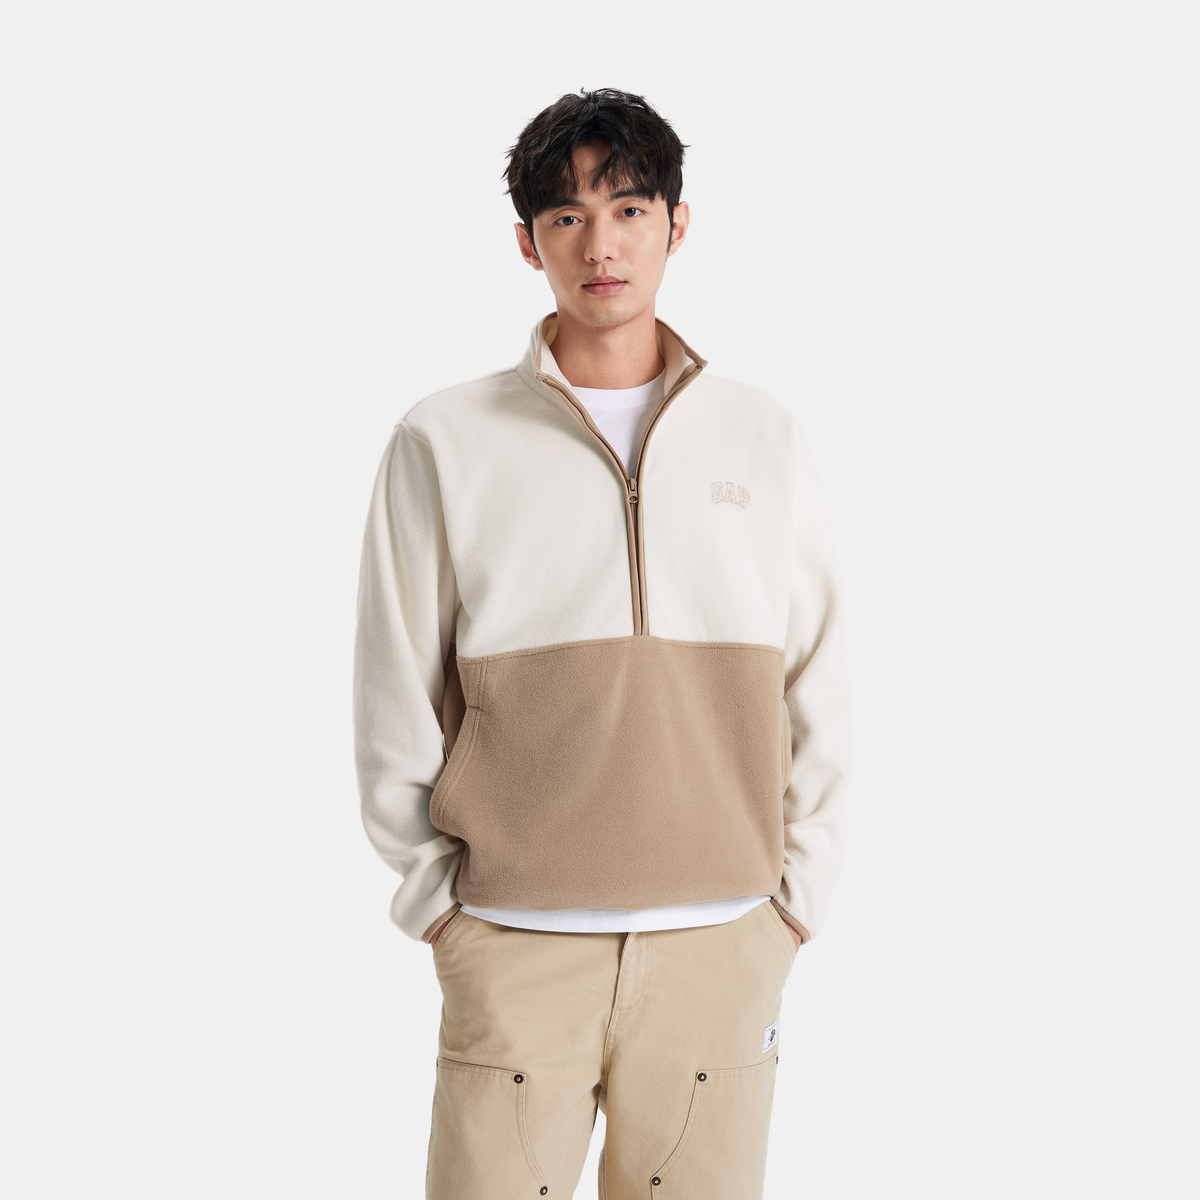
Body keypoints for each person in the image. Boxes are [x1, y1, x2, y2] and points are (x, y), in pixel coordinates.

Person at [353, 87, 852, 1200]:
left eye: (629, 209)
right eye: (567, 216)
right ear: (527, 243)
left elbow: (818, 675)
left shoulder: (763, 436)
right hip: (513, 941)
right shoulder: (444, 438)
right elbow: (394, 681)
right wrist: (437, 905)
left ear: (678, 224)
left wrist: (795, 900)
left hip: (723, 944)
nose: (601, 244)